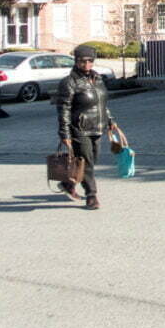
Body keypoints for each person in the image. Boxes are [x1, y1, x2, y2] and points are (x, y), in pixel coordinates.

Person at [55, 45, 115, 210]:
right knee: (87, 163)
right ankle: (91, 195)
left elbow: (102, 102)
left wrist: (110, 120)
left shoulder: (98, 79)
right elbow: (64, 110)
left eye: (90, 60)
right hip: (79, 129)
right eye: (83, 61)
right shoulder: (69, 82)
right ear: (76, 61)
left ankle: (68, 183)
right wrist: (64, 133)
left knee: (90, 161)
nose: (87, 64)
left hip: (97, 127)